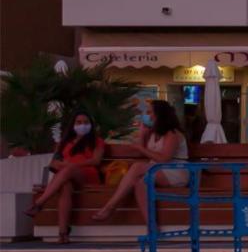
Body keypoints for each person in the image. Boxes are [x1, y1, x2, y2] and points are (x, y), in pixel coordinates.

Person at [92, 100, 187, 228]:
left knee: (137, 167)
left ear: (159, 114)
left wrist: (140, 148)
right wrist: (142, 135)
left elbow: (164, 158)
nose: (146, 115)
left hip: (175, 171)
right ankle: (152, 226)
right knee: (140, 183)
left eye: (149, 112)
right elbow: (143, 153)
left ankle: (110, 207)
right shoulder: (153, 133)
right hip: (158, 170)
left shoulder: (172, 133)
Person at [25, 111, 105, 243]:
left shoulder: (97, 141)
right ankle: (63, 233)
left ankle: (40, 203)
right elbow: (53, 164)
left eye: (86, 122)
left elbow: (96, 161)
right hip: (65, 176)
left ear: (91, 125)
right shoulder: (64, 142)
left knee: (69, 169)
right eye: (79, 122)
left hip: (87, 176)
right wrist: (64, 166)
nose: (82, 125)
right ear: (73, 125)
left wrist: (71, 164)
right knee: (65, 186)